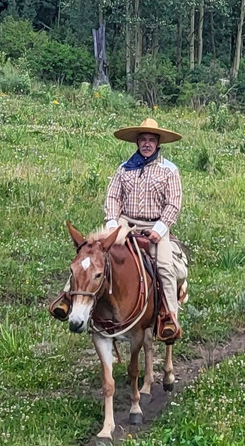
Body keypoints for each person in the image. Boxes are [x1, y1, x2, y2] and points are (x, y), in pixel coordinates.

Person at [49, 117, 186, 342]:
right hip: (125, 222)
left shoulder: (169, 170)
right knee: (90, 252)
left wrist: (160, 229)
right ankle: (66, 298)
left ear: (158, 142)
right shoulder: (124, 168)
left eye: (151, 140)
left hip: (155, 225)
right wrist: (112, 223)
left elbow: (173, 203)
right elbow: (113, 196)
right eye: (143, 139)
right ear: (137, 142)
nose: (147, 144)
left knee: (164, 266)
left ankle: (168, 317)